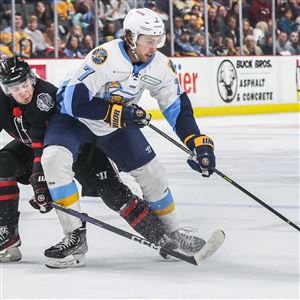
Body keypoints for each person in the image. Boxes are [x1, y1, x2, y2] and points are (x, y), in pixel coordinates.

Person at [41, 8, 216, 265]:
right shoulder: (104, 57)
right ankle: (74, 238)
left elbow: (176, 106)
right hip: (75, 120)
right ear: (131, 37)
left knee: (153, 173)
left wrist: (196, 142)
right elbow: (73, 102)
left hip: (114, 123)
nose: (154, 46)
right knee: (54, 158)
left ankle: (172, 233)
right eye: (149, 40)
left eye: (158, 39)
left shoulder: (159, 65)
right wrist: (120, 111)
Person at [0, 56, 167, 267]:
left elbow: (41, 145)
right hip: (41, 150)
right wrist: (40, 182)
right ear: (6, 90)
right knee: (3, 163)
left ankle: (161, 236)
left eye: (24, 84)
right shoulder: (2, 101)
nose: (23, 92)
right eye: (15, 88)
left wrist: (39, 181)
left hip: (76, 143)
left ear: (31, 78)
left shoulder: (43, 97)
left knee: (112, 192)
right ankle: (8, 235)